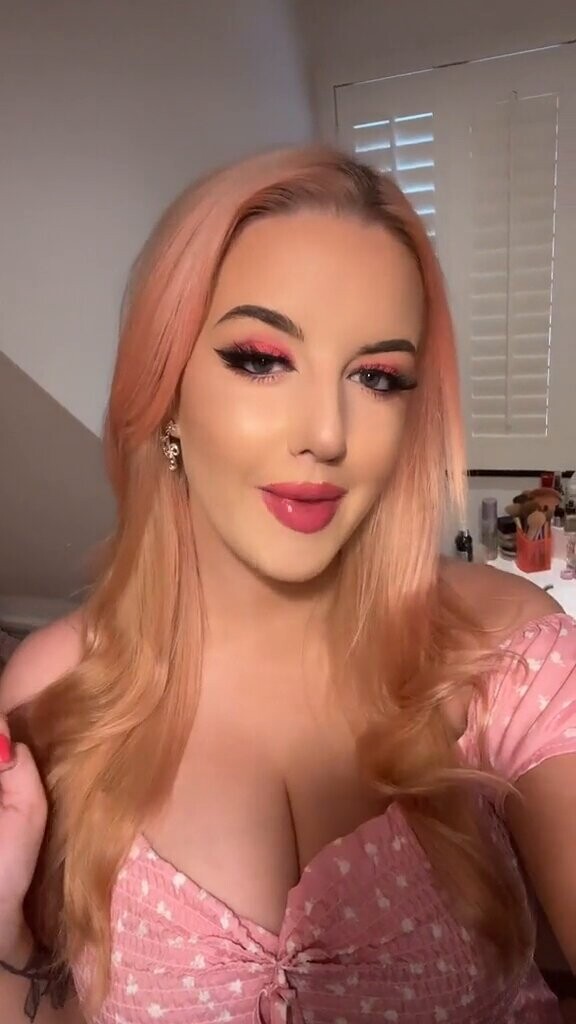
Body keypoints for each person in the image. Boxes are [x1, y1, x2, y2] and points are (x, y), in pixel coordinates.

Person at [0, 146, 575, 1024]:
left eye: (377, 378)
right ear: (166, 390)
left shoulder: (506, 651)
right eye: (262, 359)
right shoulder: (55, 689)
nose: (326, 433)